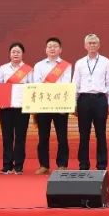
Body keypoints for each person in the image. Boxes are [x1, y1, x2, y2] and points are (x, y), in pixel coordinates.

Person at [74, 34, 109, 171]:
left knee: (101, 133)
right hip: (84, 99)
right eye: (90, 43)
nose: (92, 45)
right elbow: (75, 83)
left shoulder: (105, 61)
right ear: (85, 46)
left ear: (99, 45)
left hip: (100, 100)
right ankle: (83, 164)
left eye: (94, 43)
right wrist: (74, 103)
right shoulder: (80, 63)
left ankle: (102, 164)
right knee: (83, 134)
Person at [32, 37, 72, 175]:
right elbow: (37, 83)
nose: (52, 48)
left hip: (61, 105)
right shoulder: (39, 65)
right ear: (46, 49)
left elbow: (66, 84)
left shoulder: (66, 66)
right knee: (43, 136)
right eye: (49, 46)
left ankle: (62, 164)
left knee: (62, 136)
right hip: (43, 105)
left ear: (60, 49)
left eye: (55, 46)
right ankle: (44, 165)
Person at [0, 42, 32, 175]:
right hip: (6, 107)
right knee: (7, 136)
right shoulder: (3, 68)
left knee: (20, 136)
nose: (16, 54)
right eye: (13, 52)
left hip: (22, 107)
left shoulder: (28, 69)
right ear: (10, 54)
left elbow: (32, 87)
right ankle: (7, 165)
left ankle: (18, 165)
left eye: (18, 52)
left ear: (22, 54)